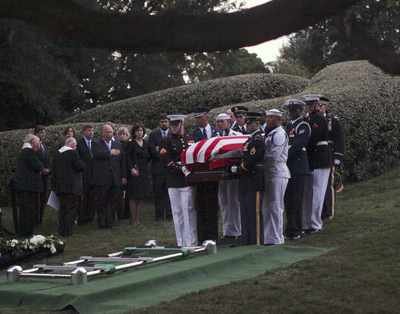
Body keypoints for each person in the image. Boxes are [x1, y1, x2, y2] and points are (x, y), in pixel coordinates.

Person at [160, 114, 197, 247]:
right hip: (174, 180)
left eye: (177, 125)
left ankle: (191, 240)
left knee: (189, 210)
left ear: (182, 124)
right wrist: (180, 168)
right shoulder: (166, 140)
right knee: (177, 211)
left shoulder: (189, 138)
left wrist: (188, 169)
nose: (174, 127)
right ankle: (181, 242)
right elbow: (165, 159)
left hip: (186, 180)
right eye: (172, 125)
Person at [302, 94, 332, 233]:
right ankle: (308, 223)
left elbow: (313, 137)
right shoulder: (308, 119)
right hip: (312, 159)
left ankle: (315, 223)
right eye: (307, 104)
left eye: (311, 104)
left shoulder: (319, 118)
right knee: (309, 192)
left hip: (320, 158)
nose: (309, 106)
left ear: (316, 105)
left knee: (318, 192)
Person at [283, 99, 311, 240]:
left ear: (300, 111)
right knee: (288, 199)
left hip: (298, 167)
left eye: (294, 110)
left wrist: (283, 156)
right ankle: (290, 228)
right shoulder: (287, 126)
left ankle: (297, 228)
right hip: (288, 167)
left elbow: (298, 144)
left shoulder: (303, 125)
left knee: (296, 199)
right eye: (290, 110)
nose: (291, 112)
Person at [262, 109, 290, 245]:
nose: (267, 120)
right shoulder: (270, 133)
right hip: (269, 172)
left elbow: (273, 156)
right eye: (267, 117)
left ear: (278, 119)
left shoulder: (279, 134)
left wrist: (259, 161)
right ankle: (269, 238)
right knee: (267, 207)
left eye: (270, 118)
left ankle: (278, 238)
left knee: (276, 206)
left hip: (277, 172)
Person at [91, 124, 127, 228]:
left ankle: (110, 221)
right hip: (102, 178)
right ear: (102, 133)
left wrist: (123, 176)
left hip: (115, 178)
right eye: (107, 132)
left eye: (111, 132)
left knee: (113, 201)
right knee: (101, 201)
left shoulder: (117, 144)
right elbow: (97, 154)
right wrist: (110, 152)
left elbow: (122, 161)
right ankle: (101, 222)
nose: (110, 134)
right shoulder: (96, 143)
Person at [192, 109, 218, 243]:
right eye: (196, 118)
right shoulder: (194, 133)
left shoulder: (216, 131)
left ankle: (213, 235)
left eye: (200, 117)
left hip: (214, 172)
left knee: (213, 204)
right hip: (200, 173)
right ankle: (202, 235)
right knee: (201, 204)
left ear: (206, 117)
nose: (198, 120)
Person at [238, 111, 265, 245]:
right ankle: (247, 237)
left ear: (258, 123)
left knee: (254, 210)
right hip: (247, 177)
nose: (248, 125)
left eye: (251, 123)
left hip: (254, 177)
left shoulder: (258, 139)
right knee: (245, 208)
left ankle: (256, 239)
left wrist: (240, 167)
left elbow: (253, 158)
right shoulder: (250, 139)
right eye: (247, 123)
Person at [215, 112, 242, 241]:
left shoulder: (236, 136)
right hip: (219, 174)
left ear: (229, 122)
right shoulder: (213, 137)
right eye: (218, 122)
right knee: (224, 202)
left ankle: (237, 230)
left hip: (233, 173)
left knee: (234, 202)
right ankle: (227, 231)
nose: (220, 124)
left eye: (222, 121)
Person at [51, 137, 85, 237]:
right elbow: (80, 166)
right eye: (75, 145)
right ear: (71, 145)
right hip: (71, 187)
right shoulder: (72, 153)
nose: (76, 147)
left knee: (62, 209)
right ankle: (68, 231)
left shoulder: (57, 154)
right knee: (71, 209)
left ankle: (61, 230)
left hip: (60, 187)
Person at [12, 134, 44, 237]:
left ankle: (23, 231)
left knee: (24, 210)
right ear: (32, 142)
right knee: (28, 210)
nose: (39, 143)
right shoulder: (29, 152)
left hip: (23, 186)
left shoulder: (24, 152)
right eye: (38, 141)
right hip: (28, 186)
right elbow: (38, 166)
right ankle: (27, 232)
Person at [319, 96, 345, 220]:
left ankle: (328, 211)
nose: (320, 107)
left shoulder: (333, 120)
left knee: (329, 184)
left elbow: (339, 139)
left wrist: (337, 157)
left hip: (330, 154)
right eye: (318, 105)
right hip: (317, 156)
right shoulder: (312, 119)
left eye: (322, 105)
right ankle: (319, 210)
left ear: (326, 106)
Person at [148, 114, 172, 221]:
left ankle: (169, 214)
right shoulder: (153, 134)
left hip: (170, 168)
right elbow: (152, 150)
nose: (164, 123)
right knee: (158, 192)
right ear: (159, 123)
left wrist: (162, 151)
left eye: (165, 121)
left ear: (169, 122)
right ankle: (158, 215)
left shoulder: (172, 133)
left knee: (169, 192)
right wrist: (162, 153)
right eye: (162, 121)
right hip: (157, 168)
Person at [127, 123, 151, 225]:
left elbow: (150, 155)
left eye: (141, 130)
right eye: (137, 131)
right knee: (133, 196)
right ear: (134, 132)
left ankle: (138, 218)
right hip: (134, 172)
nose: (139, 132)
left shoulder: (146, 143)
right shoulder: (131, 144)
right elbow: (127, 158)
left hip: (144, 172)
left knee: (141, 196)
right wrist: (131, 168)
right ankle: (133, 219)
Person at [77, 124, 94, 224]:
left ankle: (90, 216)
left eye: (92, 131)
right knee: (83, 197)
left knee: (92, 196)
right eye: (89, 131)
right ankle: (81, 217)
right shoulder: (79, 143)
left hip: (94, 174)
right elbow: (77, 158)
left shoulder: (95, 143)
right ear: (84, 132)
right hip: (83, 174)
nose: (91, 132)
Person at [33, 125, 50, 224]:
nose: (44, 134)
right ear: (37, 133)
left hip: (45, 177)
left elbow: (46, 159)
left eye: (44, 133)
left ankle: (40, 219)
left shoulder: (44, 145)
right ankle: (35, 219)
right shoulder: (33, 146)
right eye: (42, 133)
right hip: (37, 176)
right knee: (37, 199)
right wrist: (41, 169)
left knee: (43, 198)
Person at [116, 126, 131, 220]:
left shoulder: (130, 145)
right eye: (121, 134)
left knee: (128, 195)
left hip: (129, 172)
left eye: (125, 134)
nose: (123, 136)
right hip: (119, 172)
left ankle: (127, 213)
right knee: (119, 195)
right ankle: (119, 213)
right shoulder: (116, 145)